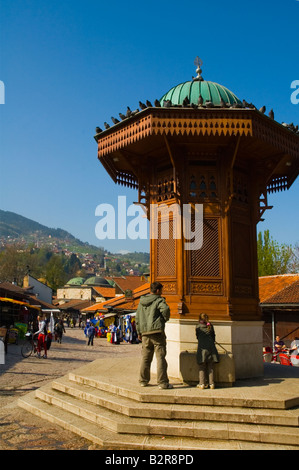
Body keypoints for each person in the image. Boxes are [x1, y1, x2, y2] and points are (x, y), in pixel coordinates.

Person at [135, 281, 173, 390]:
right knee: (160, 357)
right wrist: (163, 319)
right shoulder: (159, 300)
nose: (161, 293)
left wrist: (139, 332)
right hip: (156, 332)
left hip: (145, 333)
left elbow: (137, 318)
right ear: (157, 291)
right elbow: (165, 310)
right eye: (161, 290)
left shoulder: (141, 302)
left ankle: (143, 381)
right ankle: (162, 383)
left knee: (146, 358)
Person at [195, 313, 219, 389]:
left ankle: (202, 383)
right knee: (210, 367)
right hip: (211, 348)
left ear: (199, 319)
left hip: (202, 349)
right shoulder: (210, 326)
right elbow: (213, 336)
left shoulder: (198, 326)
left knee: (202, 366)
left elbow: (197, 337)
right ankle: (211, 384)